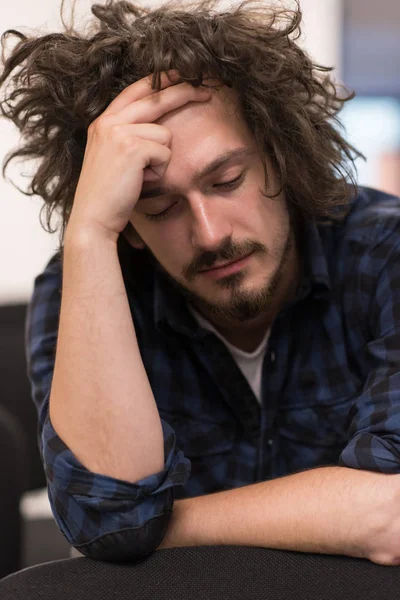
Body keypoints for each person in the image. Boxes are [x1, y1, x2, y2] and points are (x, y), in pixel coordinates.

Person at [1, 0, 400, 568]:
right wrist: (88, 231)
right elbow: (106, 514)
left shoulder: (386, 253)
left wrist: (155, 526)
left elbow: (392, 514)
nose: (210, 235)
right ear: (129, 225)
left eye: (227, 179)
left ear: (283, 159)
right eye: (159, 208)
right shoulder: (87, 281)